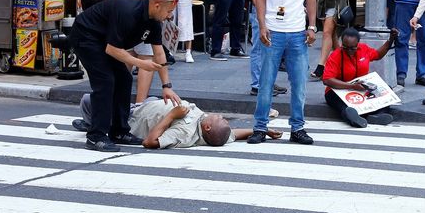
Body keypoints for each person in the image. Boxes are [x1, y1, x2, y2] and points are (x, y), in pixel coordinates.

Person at [69, 0, 181, 152]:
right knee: (105, 81)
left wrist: (167, 86)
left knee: (124, 79)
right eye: (169, 11)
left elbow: (159, 54)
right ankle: (96, 136)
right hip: (86, 36)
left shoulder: (154, 22)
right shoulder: (128, 13)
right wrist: (141, 64)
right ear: (157, 5)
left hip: (105, 42)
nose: (170, 16)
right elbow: (112, 50)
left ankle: (119, 131)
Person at [248, 0, 320, 145]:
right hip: (272, 31)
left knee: (299, 83)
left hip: (298, 31)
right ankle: (260, 127)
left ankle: (297, 128)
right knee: (266, 82)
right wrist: (261, 25)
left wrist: (311, 26)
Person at [74, 94, 282, 147]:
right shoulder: (213, 132)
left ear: (207, 126)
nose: (222, 117)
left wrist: (172, 115)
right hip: (150, 104)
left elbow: (150, 142)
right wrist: (262, 131)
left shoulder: (184, 133)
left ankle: (91, 123)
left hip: (131, 117)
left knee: (88, 100)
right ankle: (91, 122)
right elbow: (235, 134)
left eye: (220, 119)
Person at [322, 28, 399, 127]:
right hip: (338, 90)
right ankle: (353, 118)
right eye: (345, 47)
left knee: (386, 89)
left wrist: (391, 39)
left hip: (360, 87)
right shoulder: (336, 55)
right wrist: (351, 86)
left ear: (358, 44)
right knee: (345, 107)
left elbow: (378, 55)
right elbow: (327, 79)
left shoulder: (363, 49)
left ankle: (378, 116)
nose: (349, 51)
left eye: (352, 48)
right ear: (342, 44)